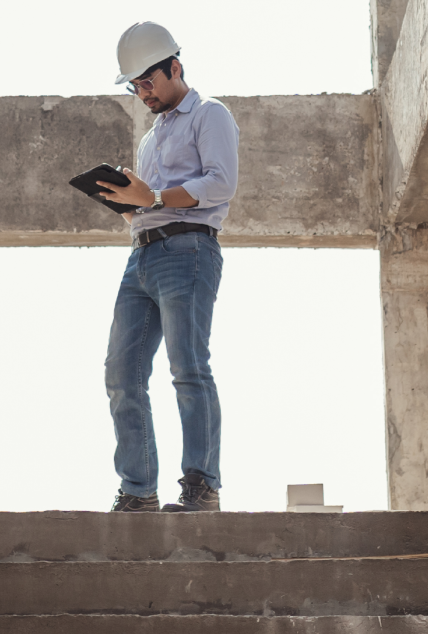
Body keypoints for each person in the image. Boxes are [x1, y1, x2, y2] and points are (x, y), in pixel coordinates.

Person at [97, 22, 240, 513]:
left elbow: (220, 184)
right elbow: (148, 205)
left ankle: (202, 487)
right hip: (141, 255)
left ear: (174, 67)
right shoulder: (150, 139)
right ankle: (139, 492)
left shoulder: (210, 115)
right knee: (121, 373)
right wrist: (128, 203)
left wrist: (153, 196)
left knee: (187, 368)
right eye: (134, 86)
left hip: (188, 251)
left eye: (148, 81)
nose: (142, 93)